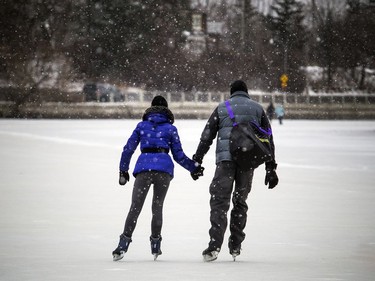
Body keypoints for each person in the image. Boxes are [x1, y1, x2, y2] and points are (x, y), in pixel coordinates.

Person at [193, 80, 279, 262]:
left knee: (219, 202)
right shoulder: (257, 109)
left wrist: (197, 159)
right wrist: (270, 167)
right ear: (246, 92)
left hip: (225, 161)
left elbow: (206, 136)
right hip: (248, 162)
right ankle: (235, 246)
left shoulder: (222, 108)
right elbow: (268, 139)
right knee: (240, 202)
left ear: (231, 93)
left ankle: (214, 246)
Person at [112, 95, 204, 261]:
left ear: (151, 109)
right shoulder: (170, 129)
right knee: (157, 207)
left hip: (144, 168)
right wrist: (193, 168)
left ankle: (122, 245)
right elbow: (178, 155)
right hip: (163, 170)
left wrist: (123, 170)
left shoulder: (141, 126)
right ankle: (156, 245)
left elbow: (128, 149)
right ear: (167, 110)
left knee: (135, 207)